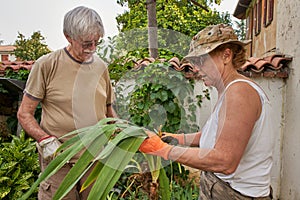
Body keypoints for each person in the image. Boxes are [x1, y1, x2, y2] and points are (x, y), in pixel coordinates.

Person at [139, 24, 274, 199]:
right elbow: (215, 136)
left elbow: (224, 161)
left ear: (226, 55)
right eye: (194, 62)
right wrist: (177, 138)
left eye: (202, 60)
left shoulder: (239, 93)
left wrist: (164, 149)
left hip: (235, 194)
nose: (195, 68)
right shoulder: (230, 90)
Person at [17, 6, 117, 200]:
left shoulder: (101, 67)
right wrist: (45, 140)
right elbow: (24, 113)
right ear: (68, 36)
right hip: (59, 162)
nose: (93, 48)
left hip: (94, 161)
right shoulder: (47, 65)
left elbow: (108, 111)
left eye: (97, 42)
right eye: (87, 43)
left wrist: (124, 131)